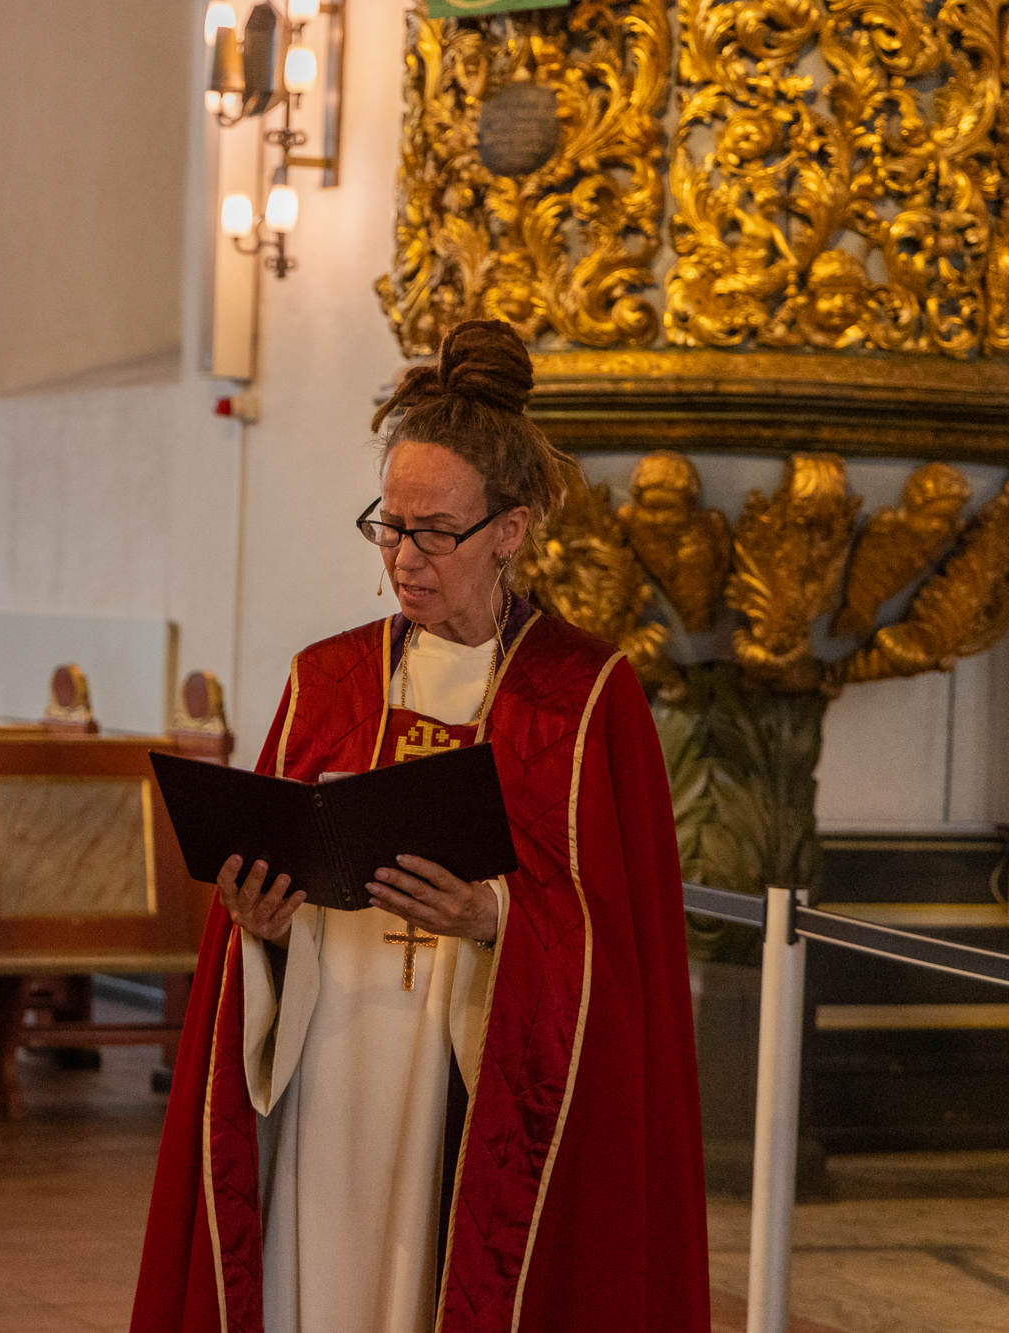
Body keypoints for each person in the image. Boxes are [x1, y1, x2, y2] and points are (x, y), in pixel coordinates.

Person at [130, 321, 708, 1333]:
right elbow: (263, 896)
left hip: (461, 1098)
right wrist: (259, 927)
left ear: (510, 530)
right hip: (329, 1083)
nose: (403, 556)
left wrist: (493, 918)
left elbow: (627, 962)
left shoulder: (584, 696)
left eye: (433, 530)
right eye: (387, 525)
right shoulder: (328, 678)